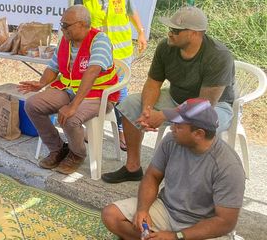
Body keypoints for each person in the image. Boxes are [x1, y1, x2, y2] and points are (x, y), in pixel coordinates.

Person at [101, 6, 235, 183]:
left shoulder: (218, 55)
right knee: (130, 105)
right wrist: (147, 110)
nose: (169, 33)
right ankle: (132, 168)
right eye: (170, 29)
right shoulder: (166, 46)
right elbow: (153, 83)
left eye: (176, 30)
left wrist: (164, 115)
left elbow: (204, 104)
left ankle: (190, 182)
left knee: (198, 124)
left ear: (194, 34)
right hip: (176, 97)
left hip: (215, 106)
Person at [102, 98, 245, 240]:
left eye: (178, 126)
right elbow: (152, 176)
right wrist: (142, 209)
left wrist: (177, 236)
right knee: (111, 215)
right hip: (167, 210)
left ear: (198, 134)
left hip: (203, 224)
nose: (172, 128)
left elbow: (225, 222)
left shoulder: (228, 167)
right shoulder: (171, 141)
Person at [18, 5, 119, 175]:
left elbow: (93, 71)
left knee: (71, 118)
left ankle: (77, 154)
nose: (62, 29)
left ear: (81, 24)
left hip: (98, 95)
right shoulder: (66, 41)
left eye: (66, 25)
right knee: (32, 104)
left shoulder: (99, 40)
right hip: (68, 90)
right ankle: (58, 149)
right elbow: (53, 67)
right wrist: (41, 83)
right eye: (61, 24)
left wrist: (73, 106)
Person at [74, 0, 147, 151]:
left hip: (121, 53)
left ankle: (123, 131)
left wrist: (141, 32)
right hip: (95, 54)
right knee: (93, 89)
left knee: (121, 93)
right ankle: (89, 128)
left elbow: (132, 12)